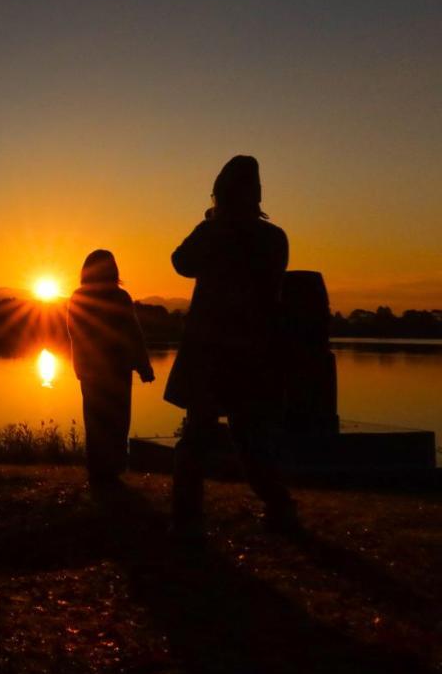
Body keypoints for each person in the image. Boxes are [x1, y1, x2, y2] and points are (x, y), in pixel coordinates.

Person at [165, 155, 298, 539]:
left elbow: (180, 262)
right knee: (251, 436)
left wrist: (211, 223)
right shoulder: (274, 237)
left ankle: (186, 520)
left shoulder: (214, 231)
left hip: (210, 350)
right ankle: (279, 505)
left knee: (197, 436)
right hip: (255, 349)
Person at [66, 249, 155, 487]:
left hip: (91, 371)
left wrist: (80, 365)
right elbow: (133, 334)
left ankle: (98, 471)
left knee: (95, 420)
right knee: (117, 419)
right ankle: (112, 469)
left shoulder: (77, 297)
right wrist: (143, 365)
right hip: (116, 369)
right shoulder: (120, 297)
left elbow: (74, 333)